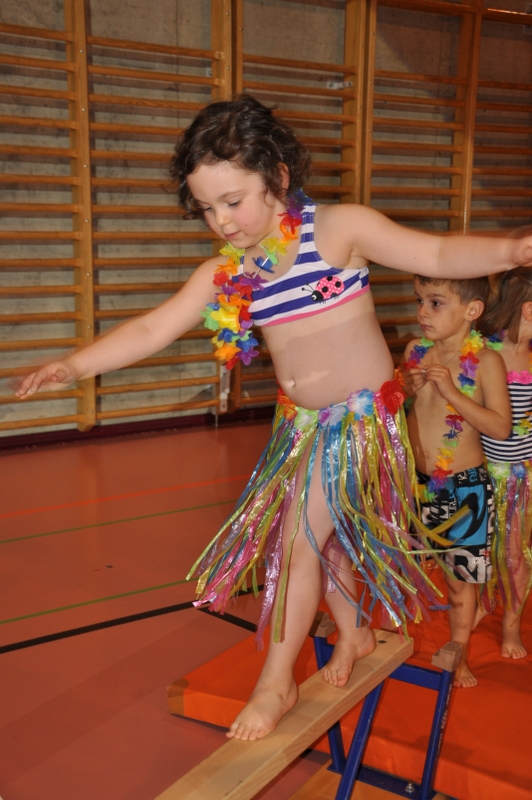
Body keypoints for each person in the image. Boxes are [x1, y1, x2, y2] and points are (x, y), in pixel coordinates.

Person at [15, 95, 532, 739]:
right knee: (327, 540)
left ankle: (276, 681)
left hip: (359, 424)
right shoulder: (231, 273)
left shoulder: (337, 231)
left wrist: (511, 249)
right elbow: (151, 328)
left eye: (233, 201)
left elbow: (436, 255)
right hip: (300, 427)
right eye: (206, 208)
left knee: (296, 541)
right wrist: (72, 365)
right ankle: (354, 632)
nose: (221, 221)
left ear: (279, 177)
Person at [401, 276, 512, 688]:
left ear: (472, 310)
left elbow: (500, 427)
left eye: (435, 303)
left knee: (459, 580)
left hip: (465, 488)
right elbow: (399, 411)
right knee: (409, 564)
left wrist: (452, 392)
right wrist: (403, 390)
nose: (422, 312)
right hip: (417, 483)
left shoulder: (485, 361)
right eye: (420, 301)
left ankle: (459, 655)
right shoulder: (415, 351)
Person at [479, 259, 532, 660]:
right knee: (482, 550)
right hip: (482, 473)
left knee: (515, 552)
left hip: (523, 477)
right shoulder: (484, 354)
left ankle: (510, 627)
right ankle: (482, 601)